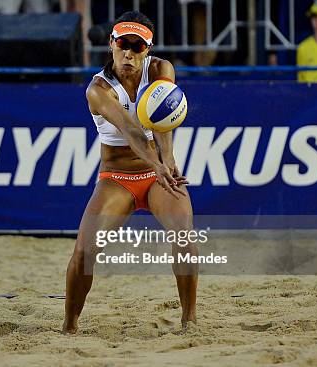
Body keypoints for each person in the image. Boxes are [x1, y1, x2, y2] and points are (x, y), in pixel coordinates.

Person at [63, 10, 197, 334]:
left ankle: (189, 319)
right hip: (116, 177)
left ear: (147, 49)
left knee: (184, 233)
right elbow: (131, 131)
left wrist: (168, 160)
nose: (128, 53)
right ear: (111, 44)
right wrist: (158, 163)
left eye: (137, 47)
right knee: (84, 251)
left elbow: (164, 120)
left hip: (156, 175)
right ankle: (69, 324)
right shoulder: (98, 88)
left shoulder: (162, 69)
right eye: (123, 44)